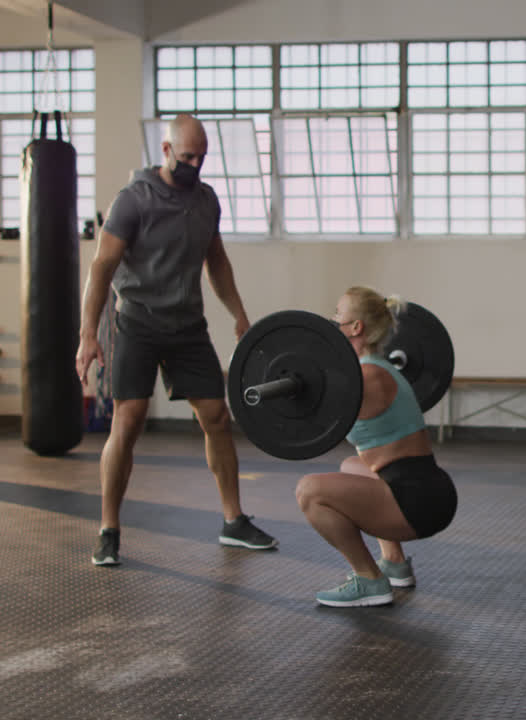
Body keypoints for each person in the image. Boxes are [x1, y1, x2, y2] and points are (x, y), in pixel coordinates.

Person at [75, 113, 277, 567]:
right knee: (128, 421)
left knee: (217, 416)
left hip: (187, 325)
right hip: (138, 323)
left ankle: (234, 521)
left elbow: (216, 261)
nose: (195, 165)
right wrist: (88, 334)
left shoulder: (206, 201)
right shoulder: (134, 200)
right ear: (165, 151)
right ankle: (108, 529)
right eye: (187, 157)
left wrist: (239, 312)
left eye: (202, 157)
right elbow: (101, 267)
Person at [296, 287, 458, 607]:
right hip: (428, 490)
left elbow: (317, 420)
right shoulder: (379, 369)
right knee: (351, 467)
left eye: (338, 314)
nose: (333, 320)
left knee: (309, 492)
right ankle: (394, 562)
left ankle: (369, 579)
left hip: (417, 502)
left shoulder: (368, 377)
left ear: (356, 327)